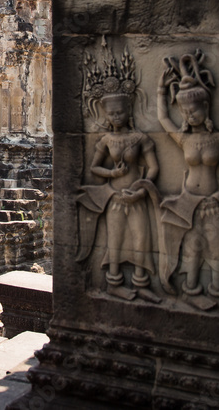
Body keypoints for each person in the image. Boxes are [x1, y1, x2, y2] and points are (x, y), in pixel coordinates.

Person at [156, 51, 219, 309]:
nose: (189, 115)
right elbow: (164, 120)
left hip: (214, 203)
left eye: (194, 110)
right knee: (193, 249)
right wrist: (161, 91)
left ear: (205, 107)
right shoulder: (185, 139)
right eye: (185, 111)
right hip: (188, 203)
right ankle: (191, 291)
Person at [76, 84, 160, 300]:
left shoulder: (140, 138)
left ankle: (141, 281)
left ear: (128, 111)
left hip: (137, 195)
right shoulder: (106, 140)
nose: (116, 117)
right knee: (115, 240)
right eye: (111, 113)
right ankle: (114, 281)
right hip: (114, 196)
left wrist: (142, 190)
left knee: (141, 239)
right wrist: (113, 174)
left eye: (120, 112)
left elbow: (154, 168)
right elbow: (95, 167)